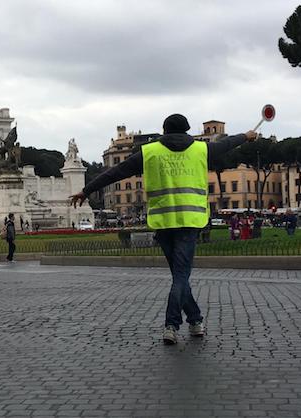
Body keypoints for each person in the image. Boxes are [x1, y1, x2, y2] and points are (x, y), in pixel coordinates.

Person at [70, 113, 258, 344]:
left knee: (179, 275)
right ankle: (172, 324)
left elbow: (114, 173)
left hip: (163, 222)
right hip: (190, 221)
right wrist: (246, 136)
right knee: (181, 276)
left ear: (164, 130)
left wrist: (87, 190)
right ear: (188, 130)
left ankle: (195, 320)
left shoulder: (150, 152)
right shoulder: (201, 149)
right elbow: (226, 144)